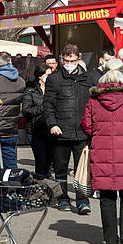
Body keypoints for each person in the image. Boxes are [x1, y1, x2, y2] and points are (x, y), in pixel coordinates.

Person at [81, 62, 123, 244]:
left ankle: (110, 241)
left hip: (101, 152)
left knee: (107, 196)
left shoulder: (94, 100)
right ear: (122, 77)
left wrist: (99, 134)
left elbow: (86, 125)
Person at [44, 43, 95, 214]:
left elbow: (93, 104)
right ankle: (63, 199)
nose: (69, 64)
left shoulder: (88, 79)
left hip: (82, 132)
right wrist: (52, 124)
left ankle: (83, 201)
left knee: (82, 169)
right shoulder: (54, 79)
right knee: (61, 169)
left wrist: (92, 126)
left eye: (72, 61)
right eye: (66, 61)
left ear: (78, 59)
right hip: (60, 131)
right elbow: (48, 104)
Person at [22, 65, 53, 176]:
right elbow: (26, 111)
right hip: (35, 129)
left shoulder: (53, 89)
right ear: (40, 76)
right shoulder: (31, 91)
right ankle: (40, 180)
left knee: (49, 159)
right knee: (40, 159)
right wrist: (44, 107)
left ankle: (47, 179)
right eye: (48, 75)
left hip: (50, 128)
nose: (50, 77)